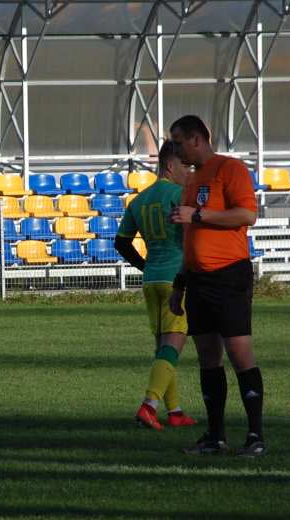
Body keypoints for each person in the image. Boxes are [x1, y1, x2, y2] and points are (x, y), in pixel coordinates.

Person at [168, 115, 264, 457]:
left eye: (179, 141)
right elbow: (192, 239)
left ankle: (255, 436)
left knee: (239, 353)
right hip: (198, 280)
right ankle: (215, 436)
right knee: (208, 357)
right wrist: (180, 284)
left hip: (229, 276)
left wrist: (197, 215)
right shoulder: (192, 181)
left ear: (196, 139)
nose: (176, 149)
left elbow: (246, 216)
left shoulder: (230, 169)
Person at [115, 142, 198, 431]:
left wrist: (143, 265)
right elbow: (193, 234)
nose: (189, 172)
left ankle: (174, 411)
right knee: (173, 345)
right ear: (170, 165)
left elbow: (121, 242)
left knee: (163, 348)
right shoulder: (180, 195)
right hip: (175, 278)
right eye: (186, 166)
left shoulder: (139, 200)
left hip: (151, 279)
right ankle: (148, 406)